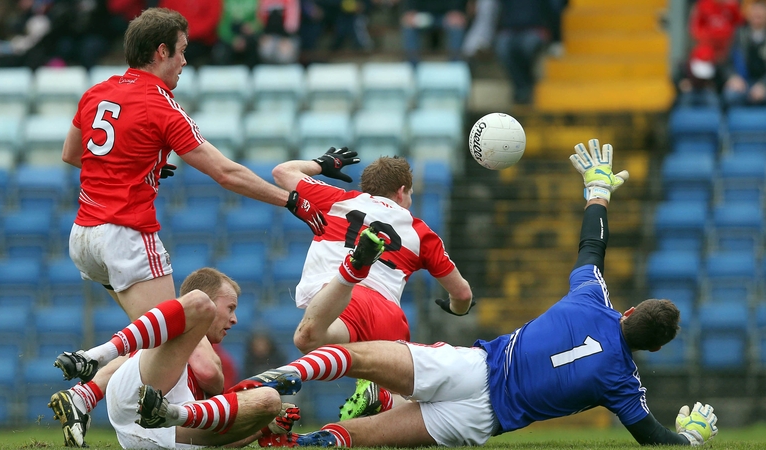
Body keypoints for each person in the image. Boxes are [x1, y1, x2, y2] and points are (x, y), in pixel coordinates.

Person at [143, 139, 721, 448]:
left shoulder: (591, 297)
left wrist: (597, 194)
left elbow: (591, 249)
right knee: (354, 434)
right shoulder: (624, 385)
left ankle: (277, 388)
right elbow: (654, 438)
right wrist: (690, 441)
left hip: (471, 365)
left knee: (332, 348)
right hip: (482, 418)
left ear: (627, 307)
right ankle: (309, 427)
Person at [48, 7, 326, 447]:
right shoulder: (161, 105)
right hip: (126, 233)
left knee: (156, 336)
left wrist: (138, 163)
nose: (184, 61)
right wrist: (291, 199)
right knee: (184, 335)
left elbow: (72, 153)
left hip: (83, 238)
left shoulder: (96, 92)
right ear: (161, 51)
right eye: (181, 51)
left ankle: (85, 394)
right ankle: (100, 372)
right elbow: (226, 174)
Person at [270, 149, 473, 419]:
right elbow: (462, 293)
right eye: (410, 195)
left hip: (345, 301)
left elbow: (281, 172)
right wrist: (456, 308)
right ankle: (398, 400)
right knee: (398, 410)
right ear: (401, 191)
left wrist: (320, 165)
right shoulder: (421, 232)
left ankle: (379, 394)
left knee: (310, 340)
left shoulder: (337, 199)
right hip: (388, 316)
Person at [55, 267, 302, 449]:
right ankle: (94, 359)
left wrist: (263, 426)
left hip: (157, 435)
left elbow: (220, 441)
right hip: (144, 402)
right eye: (230, 308)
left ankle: (84, 395)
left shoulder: (163, 340)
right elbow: (208, 372)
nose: (234, 319)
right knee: (188, 313)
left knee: (270, 401)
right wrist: (223, 392)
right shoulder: (195, 326)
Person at [721, 0, 766, 107]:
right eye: (754, 11)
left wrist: (763, 85)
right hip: (743, 83)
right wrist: (733, 77)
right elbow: (726, 62)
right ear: (748, 14)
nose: (757, 14)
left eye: (761, 11)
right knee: (730, 96)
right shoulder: (738, 34)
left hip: (763, 83)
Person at [400, 0, 468, 64]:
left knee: (457, 26)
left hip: (446, 15)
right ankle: (412, 67)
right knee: (409, 26)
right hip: (421, 15)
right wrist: (410, 10)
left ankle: (455, 67)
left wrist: (456, 10)